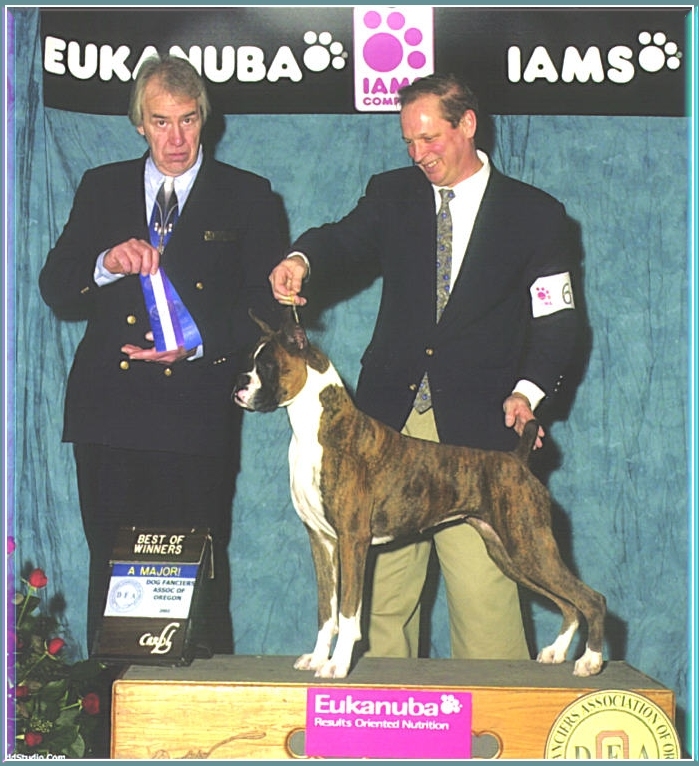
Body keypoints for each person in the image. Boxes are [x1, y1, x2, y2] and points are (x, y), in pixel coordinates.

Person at [269, 73, 579, 661]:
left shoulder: (535, 215)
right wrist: (302, 259)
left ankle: (498, 716)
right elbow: (343, 240)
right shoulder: (392, 193)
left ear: (468, 124)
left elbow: (559, 322)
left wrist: (529, 392)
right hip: (385, 427)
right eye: (409, 141)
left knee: (485, 603)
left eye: (430, 138)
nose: (418, 154)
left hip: (478, 433)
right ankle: (381, 716)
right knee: (381, 602)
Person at [39, 54, 286, 656]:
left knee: (195, 578)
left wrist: (198, 341)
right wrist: (104, 264)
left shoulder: (249, 195)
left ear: (205, 119)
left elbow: (267, 307)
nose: (176, 139)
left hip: (194, 415)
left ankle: (199, 706)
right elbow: (55, 286)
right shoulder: (101, 186)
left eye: (188, 120)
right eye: (161, 122)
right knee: (113, 576)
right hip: (108, 415)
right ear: (139, 125)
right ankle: (113, 705)